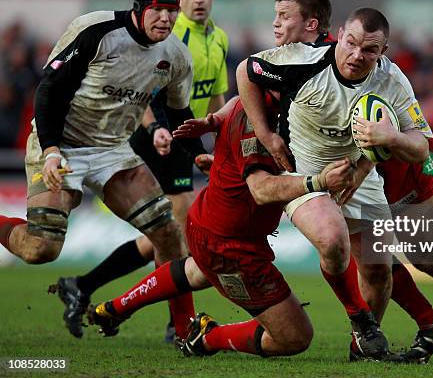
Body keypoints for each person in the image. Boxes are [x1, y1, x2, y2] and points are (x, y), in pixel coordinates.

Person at [257, 0, 433, 364]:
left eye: (283, 17)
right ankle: (427, 324)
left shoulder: (377, 72)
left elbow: (411, 142)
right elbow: (249, 83)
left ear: (311, 24)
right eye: (275, 16)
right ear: (338, 34)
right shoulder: (293, 59)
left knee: (421, 251)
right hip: (355, 166)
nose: (275, 25)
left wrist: (369, 158)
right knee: (372, 256)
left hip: (401, 163)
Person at [237, 6, 433, 363]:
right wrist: (266, 134)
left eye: (370, 50)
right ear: (340, 35)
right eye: (351, 43)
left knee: (379, 269)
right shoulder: (301, 61)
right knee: (333, 239)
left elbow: (420, 146)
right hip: (303, 172)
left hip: (356, 177)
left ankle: (361, 350)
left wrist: (391, 136)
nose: (356, 55)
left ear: (383, 53)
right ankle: (360, 319)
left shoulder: (391, 80)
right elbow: (245, 71)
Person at [0, 0, 200, 340]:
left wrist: (201, 154)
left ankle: (184, 328)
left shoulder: (175, 55)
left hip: (113, 151)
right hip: (62, 145)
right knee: (40, 249)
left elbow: (180, 114)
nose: (166, 19)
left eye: (172, 11)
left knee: (169, 235)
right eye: (158, 9)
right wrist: (50, 151)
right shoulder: (97, 30)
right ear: (140, 8)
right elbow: (49, 90)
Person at [87, 92, 355, 358]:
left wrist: (215, 120)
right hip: (233, 247)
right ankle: (207, 338)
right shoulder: (261, 122)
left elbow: (240, 92)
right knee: (295, 336)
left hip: (210, 223)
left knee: (198, 271)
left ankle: (115, 308)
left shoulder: (253, 99)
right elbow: (261, 189)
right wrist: (318, 182)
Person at [51, 0, 229, 342]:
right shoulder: (165, 33)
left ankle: (84, 286)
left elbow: (215, 98)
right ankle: (176, 323)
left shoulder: (218, 39)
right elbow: (139, 89)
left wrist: (216, 142)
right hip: (156, 139)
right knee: (172, 231)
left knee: (164, 235)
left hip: (185, 140)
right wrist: (155, 127)